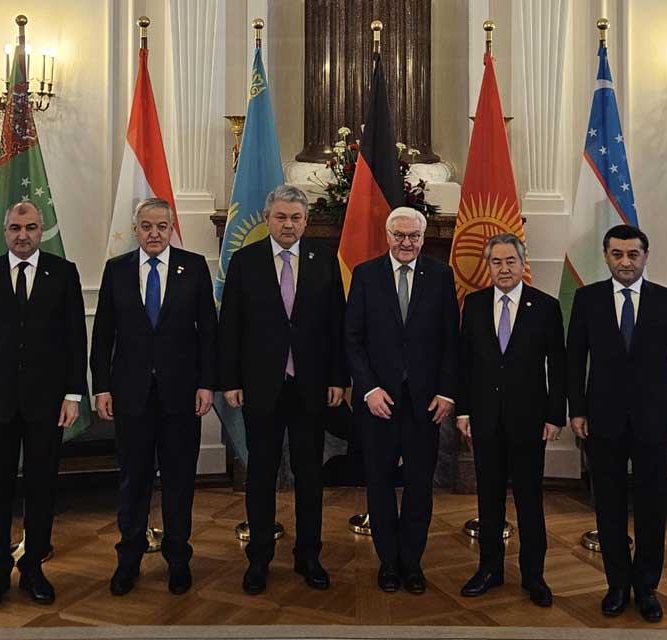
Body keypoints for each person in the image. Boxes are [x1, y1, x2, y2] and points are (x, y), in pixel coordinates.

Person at [0, 201, 88, 612]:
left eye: (30, 227)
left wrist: (73, 395)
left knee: (41, 489)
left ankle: (33, 569)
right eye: (15, 227)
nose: (23, 235)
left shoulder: (63, 273)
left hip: (47, 405)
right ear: (5, 231)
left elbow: (75, 337)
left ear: (41, 230)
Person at [218, 185, 347, 594]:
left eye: (295, 218)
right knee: (261, 476)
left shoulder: (324, 259)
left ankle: (309, 556)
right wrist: (230, 380)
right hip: (261, 387)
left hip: (311, 387)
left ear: (306, 222)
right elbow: (230, 327)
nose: (288, 224)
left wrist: (338, 378)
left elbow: (337, 324)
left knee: (310, 476)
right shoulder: (245, 262)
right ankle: (259, 558)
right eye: (281, 217)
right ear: (267, 218)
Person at [566, 224, 667, 622]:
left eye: (633, 254)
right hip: (602, 421)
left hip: (654, 421)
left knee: (652, 507)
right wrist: (577, 409)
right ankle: (617, 585)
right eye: (617, 254)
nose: (625, 262)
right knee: (609, 507)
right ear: (606, 256)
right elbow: (574, 359)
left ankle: (646, 587)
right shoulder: (587, 299)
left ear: (645, 257)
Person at [91, 197, 217, 596]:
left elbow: (208, 333)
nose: (154, 233)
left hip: (182, 396)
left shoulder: (193, 267)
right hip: (131, 396)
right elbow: (103, 335)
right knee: (133, 482)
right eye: (146, 226)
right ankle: (128, 560)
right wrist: (102, 386)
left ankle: (178, 560)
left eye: (162, 226)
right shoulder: (117, 270)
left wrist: (207, 383)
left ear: (171, 228)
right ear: (136, 229)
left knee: (179, 482)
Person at [344, 206, 459, 594]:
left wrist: (446, 391)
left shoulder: (441, 276)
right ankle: (388, 563)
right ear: (387, 236)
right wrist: (368, 389)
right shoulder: (365, 275)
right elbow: (352, 339)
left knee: (419, 485)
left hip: (425, 404)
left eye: (413, 236)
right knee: (378, 484)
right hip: (378, 401)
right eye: (399, 235)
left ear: (423, 238)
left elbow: (451, 340)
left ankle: (412, 562)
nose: (406, 243)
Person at [455, 234, 565, 606]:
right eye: (496, 262)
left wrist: (554, 415)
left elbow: (558, 366)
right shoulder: (474, 304)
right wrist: (464, 411)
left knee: (529, 501)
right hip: (485, 419)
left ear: (522, 263)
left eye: (510, 261)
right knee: (488, 499)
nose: (504, 269)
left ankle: (534, 576)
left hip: (529, 421)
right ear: (489, 266)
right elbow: (465, 363)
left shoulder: (546, 307)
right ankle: (490, 570)